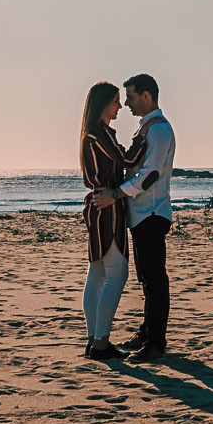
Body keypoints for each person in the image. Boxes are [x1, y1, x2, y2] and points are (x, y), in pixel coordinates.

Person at [92, 72, 175, 361]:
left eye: (130, 96)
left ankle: (155, 343)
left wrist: (116, 194)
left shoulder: (159, 130)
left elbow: (150, 175)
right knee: (147, 279)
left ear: (147, 96)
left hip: (152, 212)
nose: (126, 103)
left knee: (154, 279)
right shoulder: (148, 127)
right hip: (141, 214)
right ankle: (146, 332)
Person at [78, 81, 135, 362]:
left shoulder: (90, 135)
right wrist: (143, 139)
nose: (120, 106)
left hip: (97, 208)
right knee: (115, 275)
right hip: (108, 209)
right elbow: (127, 159)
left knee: (97, 274)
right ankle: (100, 343)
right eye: (115, 101)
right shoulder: (100, 135)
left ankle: (94, 340)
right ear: (102, 104)